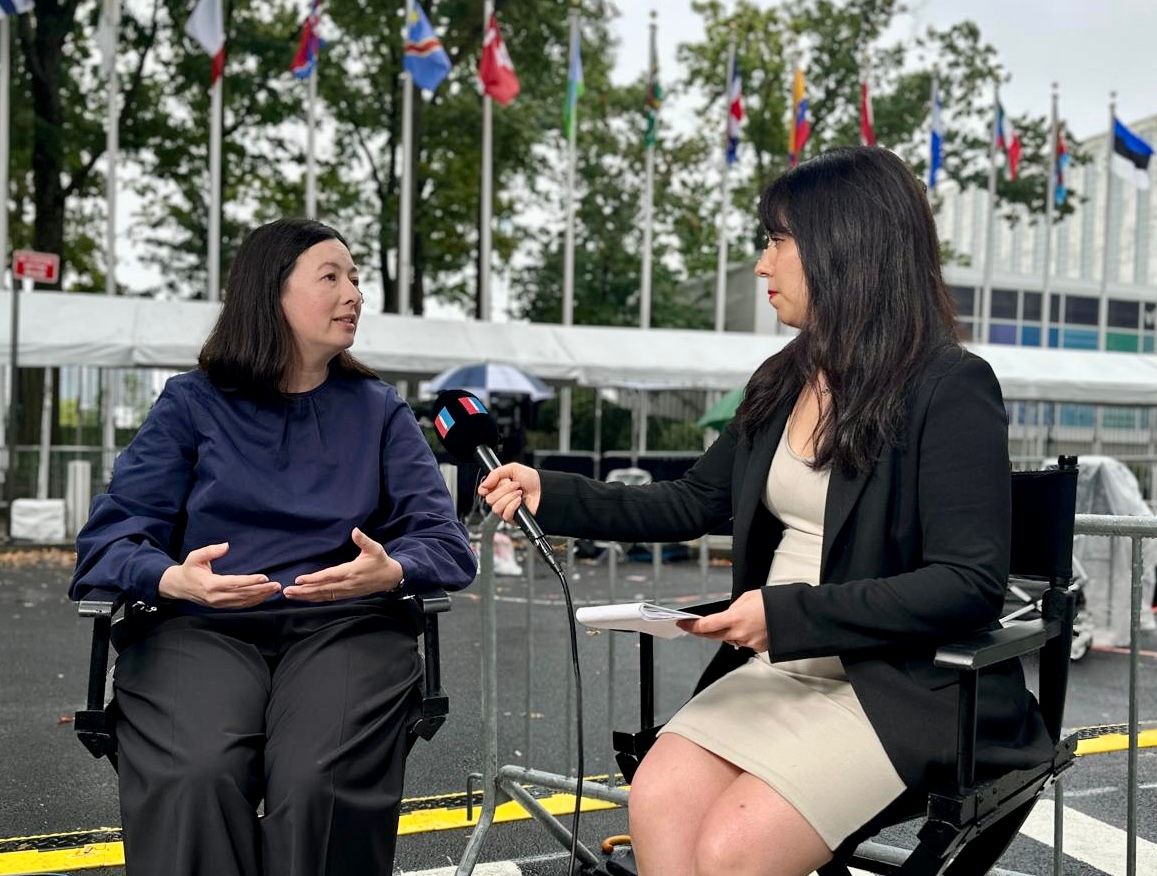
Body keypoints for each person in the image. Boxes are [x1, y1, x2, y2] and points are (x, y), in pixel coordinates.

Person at [477, 147, 1053, 876]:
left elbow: (966, 582)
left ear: (847, 247)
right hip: (780, 665)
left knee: (731, 850)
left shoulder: (950, 385)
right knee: (655, 797)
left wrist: (786, 616)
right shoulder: (783, 377)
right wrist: (549, 490)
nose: (760, 264)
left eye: (777, 241)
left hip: (895, 685)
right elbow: (691, 500)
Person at [70, 218, 476, 876]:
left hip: (345, 626)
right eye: (331, 277)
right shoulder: (190, 405)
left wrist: (390, 569)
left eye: (355, 278)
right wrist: (174, 579)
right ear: (270, 294)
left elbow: (445, 543)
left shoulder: (378, 411)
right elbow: (109, 539)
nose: (354, 294)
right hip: (201, 627)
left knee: (319, 778)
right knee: (196, 773)